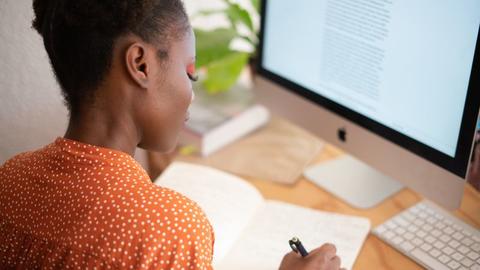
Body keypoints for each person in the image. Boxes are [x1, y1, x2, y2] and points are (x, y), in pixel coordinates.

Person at [0, 0, 343, 269]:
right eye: (189, 73)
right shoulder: (170, 232)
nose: (191, 94)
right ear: (141, 64)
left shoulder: (10, 180)